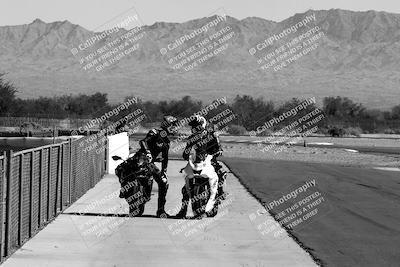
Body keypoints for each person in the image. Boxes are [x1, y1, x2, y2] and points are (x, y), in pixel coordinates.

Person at [174, 115, 224, 218]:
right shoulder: (191, 138)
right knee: (185, 188)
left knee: (220, 173)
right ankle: (183, 211)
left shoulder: (212, 135)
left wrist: (218, 152)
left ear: (202, 124)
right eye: (193, 126)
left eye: (196, 125)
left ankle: (219, 195)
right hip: (197, 161)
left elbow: (219, 148)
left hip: (210, 160)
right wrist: (187, 155)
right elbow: (186, 152)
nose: (194, 128)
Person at [137, 115, 178, 217]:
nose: (175, 128)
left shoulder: (167, 142)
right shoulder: (154, 132)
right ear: (167, 125)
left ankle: (161, 211)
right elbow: (143, 141)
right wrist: (148, 153)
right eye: (173, 125)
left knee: (164, 183)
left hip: (151, 164)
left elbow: (165, 158)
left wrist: (164, 171)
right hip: (141, 159)